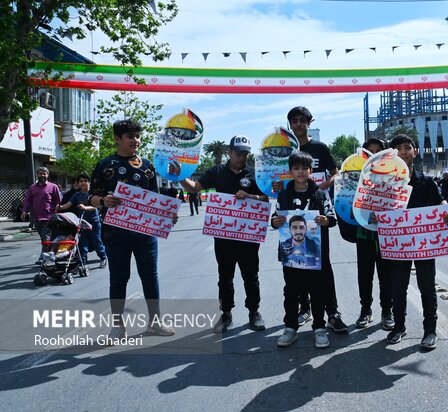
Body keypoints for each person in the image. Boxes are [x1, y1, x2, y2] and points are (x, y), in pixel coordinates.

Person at [89, 119, 177, 340]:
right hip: (114, 233)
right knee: (118, 278)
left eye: (138, 136)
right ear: (117, 139)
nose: (136, 140)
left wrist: (167, 214)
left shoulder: (148, 165)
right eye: (130, 136)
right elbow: (90, 197)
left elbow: (154, 199)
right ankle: (118, 326)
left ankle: (155, 322)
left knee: (150, 276)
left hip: (145, 233)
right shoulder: (105, 165)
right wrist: (103, 201)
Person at [172, 135, 269, 333]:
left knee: (251, 276)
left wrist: (251, 196)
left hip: (248, 237)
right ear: (229, 152)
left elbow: (266, 198)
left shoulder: (255, 174)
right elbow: (194, 188)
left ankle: (254, 312)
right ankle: (226, 313)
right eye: (238, 153)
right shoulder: (217, 172)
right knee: (225, 277)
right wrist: (180, 176)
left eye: (245, 154)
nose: (242, 157)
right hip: (224, 236)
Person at [383, 135, 448, 349]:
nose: (404, 152)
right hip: (397, 244)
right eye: (398, 148)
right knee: (398, 287)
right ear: (392, 154)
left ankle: (430, 330)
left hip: (424, 243)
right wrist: (373, 217)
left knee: (427, 286)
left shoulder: (425, 181)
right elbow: (375, 208)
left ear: (415, 152)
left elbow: (440, 201)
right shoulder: (386, 182)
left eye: (408, 148)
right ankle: (399, 327)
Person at [284, 106, 348, 333]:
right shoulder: (284, 148)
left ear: (309, 122)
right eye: (295, 120)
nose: (299, 124)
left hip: (317, 217)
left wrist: (318, 189)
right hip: (293, 216)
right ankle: (304, 308)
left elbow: (337, 174)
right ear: (290, 123)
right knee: (296, 262)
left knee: (323, 267)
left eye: (303, 120)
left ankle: (332, 312)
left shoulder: (320, 148)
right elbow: (276, 180)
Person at [271, 151, 337, 348]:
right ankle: (290, 327)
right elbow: (275, 219)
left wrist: (326, 221)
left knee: (317, 290)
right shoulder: (283, 195)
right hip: (290, 254)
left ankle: (319, 327)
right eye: (296, 168)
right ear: (290, 171)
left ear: (310, 171)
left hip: (315, 254)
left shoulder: (320, 194)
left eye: (304, 168)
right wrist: (275, 221)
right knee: (291, 291)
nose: (300, 172)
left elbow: (332, 218)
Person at [354, 138, 394, 330]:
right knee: (364, 274)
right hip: (363, 233)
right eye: (369, 152)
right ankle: (365, 310)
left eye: (378, 151)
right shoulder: (356, 178)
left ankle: (387, 311)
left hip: (385, 234)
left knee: (386, 274)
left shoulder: (394, 177)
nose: (374, 156)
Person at [57, 174, 107, 268]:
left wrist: (85, 207)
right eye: (81, 181)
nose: (83, 183)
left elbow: (96, 206)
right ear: (78, 184)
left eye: (85, 181)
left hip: (94, 222)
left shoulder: (93, 194)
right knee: (82, 243)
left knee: (97, 242)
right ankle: (83, 261)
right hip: (81, 223)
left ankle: (103, 258)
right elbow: (68, 204)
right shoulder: (76, 195)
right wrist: (60, 207)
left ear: (89, 182)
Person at [21, 166, 62, 264]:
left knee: (45, 237)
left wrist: (58, 208)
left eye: (44, 173)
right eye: (40, 173)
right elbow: (27, 201)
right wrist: (24, 211)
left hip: (49, 216)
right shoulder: (32, 188)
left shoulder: (53, 187)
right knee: (43, 237)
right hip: (37, 217)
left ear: (47, 175)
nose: (42, 175)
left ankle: (43, 257)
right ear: (37, 175)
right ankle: (51, 252)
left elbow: (59, 200)